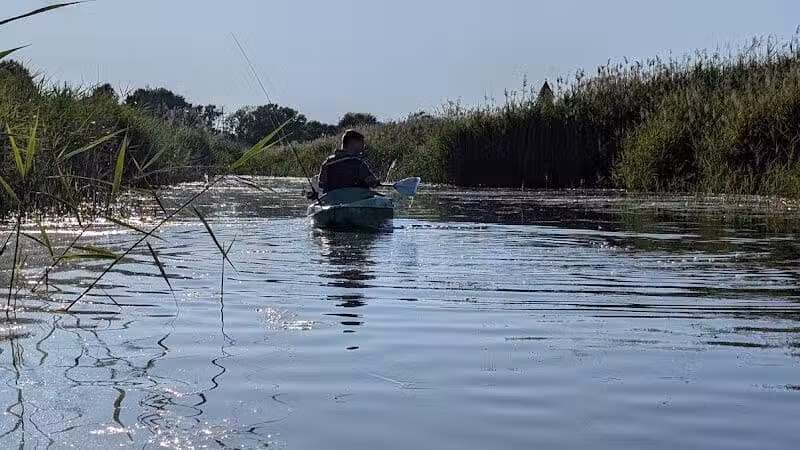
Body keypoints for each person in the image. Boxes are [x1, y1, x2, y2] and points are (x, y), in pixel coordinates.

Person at [308, 129, 380, 199]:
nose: (363, 146)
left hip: (332, 201)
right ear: (352, 143)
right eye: (361, 143)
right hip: (354, 201)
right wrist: (376, 183)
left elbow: (321, 184)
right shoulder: (358, 164)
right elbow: (372, 183)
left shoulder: (327, 163)